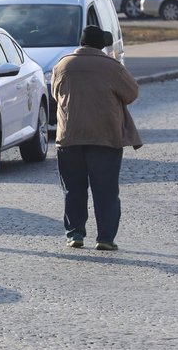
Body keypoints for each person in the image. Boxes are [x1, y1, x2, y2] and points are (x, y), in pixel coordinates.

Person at [50, 25, 142, 251]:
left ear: (81, 43)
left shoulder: (63, 65)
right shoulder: (111, 67)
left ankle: (75, 234)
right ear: (101, 44)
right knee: (106, 190)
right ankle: (106, 238)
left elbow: (55, 93)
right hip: (105, 136)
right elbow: (131, 94)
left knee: (73, 189)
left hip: (69, 137)